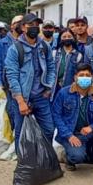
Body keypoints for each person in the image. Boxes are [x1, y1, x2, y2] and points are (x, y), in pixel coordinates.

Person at [4, 13, 56, 146]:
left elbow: (51, 68)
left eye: (36, 25)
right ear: (23, 27)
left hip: (41, 97)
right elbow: (12, 77)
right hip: (23, 97)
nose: (34, 27)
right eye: (31, 25)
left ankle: (43, 156)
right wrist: (21, 101)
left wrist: (49, 88)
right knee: (21, 133)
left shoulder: (45, 47)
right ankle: (23, 159)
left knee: (48, 130)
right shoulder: (15, 49)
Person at [52, 63, 93, 171]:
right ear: (75, 77)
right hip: (71, 133)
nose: (84, 78)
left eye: (87, 75)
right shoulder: (64, 93)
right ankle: (66, 157)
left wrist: (92, 127)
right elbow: (56, 115)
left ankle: (84, 151)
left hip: (91, 133)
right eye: (81, 75)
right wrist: (69, 135)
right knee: (78, 156)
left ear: (92, 77)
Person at [0, 15, 23, 90]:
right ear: (12, 26)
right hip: (7, 85)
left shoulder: (28, 43)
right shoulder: (2, 43)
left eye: (23, 22)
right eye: (19, 22)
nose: (21, 24)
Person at [51, 28, 84, 99]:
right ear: (60, 39)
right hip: (54, 88)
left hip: (70, 88)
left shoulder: (78, 55)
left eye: (69, 36)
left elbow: (79, 74)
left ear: (73, 38)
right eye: (64, 37)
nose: (67, 38)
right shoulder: (54, 53)